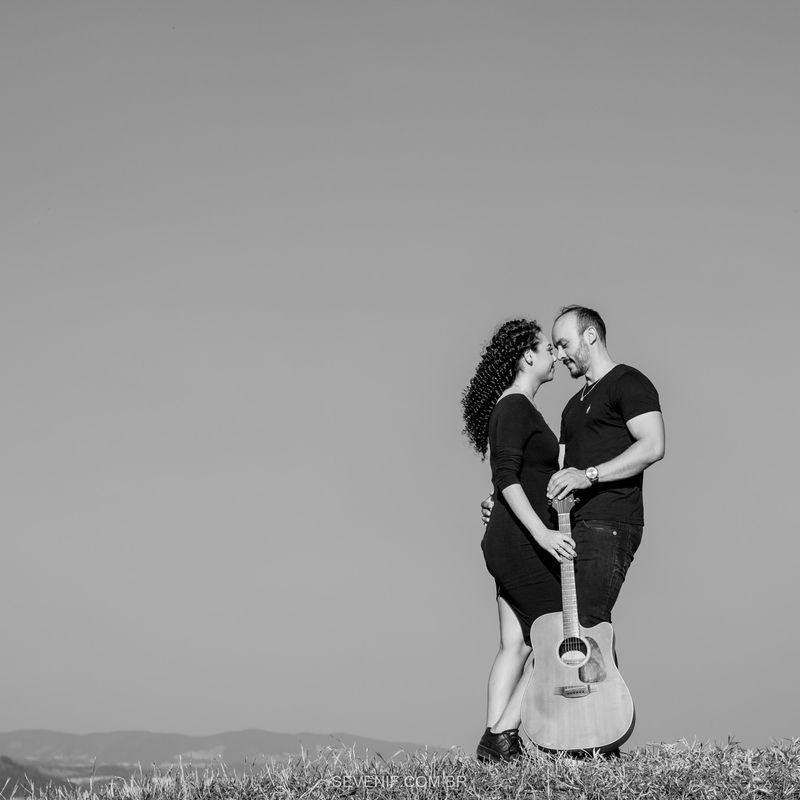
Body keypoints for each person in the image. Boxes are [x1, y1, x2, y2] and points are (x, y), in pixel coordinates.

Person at [481, 305, 665, 756]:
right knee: (581, 631)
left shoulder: (628, 382)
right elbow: (554, 474)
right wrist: (501, 500)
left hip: (611, 523)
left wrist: (593, 475)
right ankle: (597, 741)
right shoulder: (570, 406)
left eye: (563, 344)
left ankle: (505, 735)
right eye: (553, 347)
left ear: (590, 337)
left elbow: (654, 445)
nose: (560, 355)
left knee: (584, 627)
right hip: (574, 528)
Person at [461, 318, 576, 763]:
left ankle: (494, 745)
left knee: (517, 642)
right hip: (519, 542)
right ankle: (502, 735)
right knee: (553, 640)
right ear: (527, 355)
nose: (555, 355)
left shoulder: (519, 408)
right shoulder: (513, 407)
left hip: (508, 536)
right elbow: (505, 477)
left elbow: (515, 480)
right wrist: (543, 534)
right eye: (548, 347)